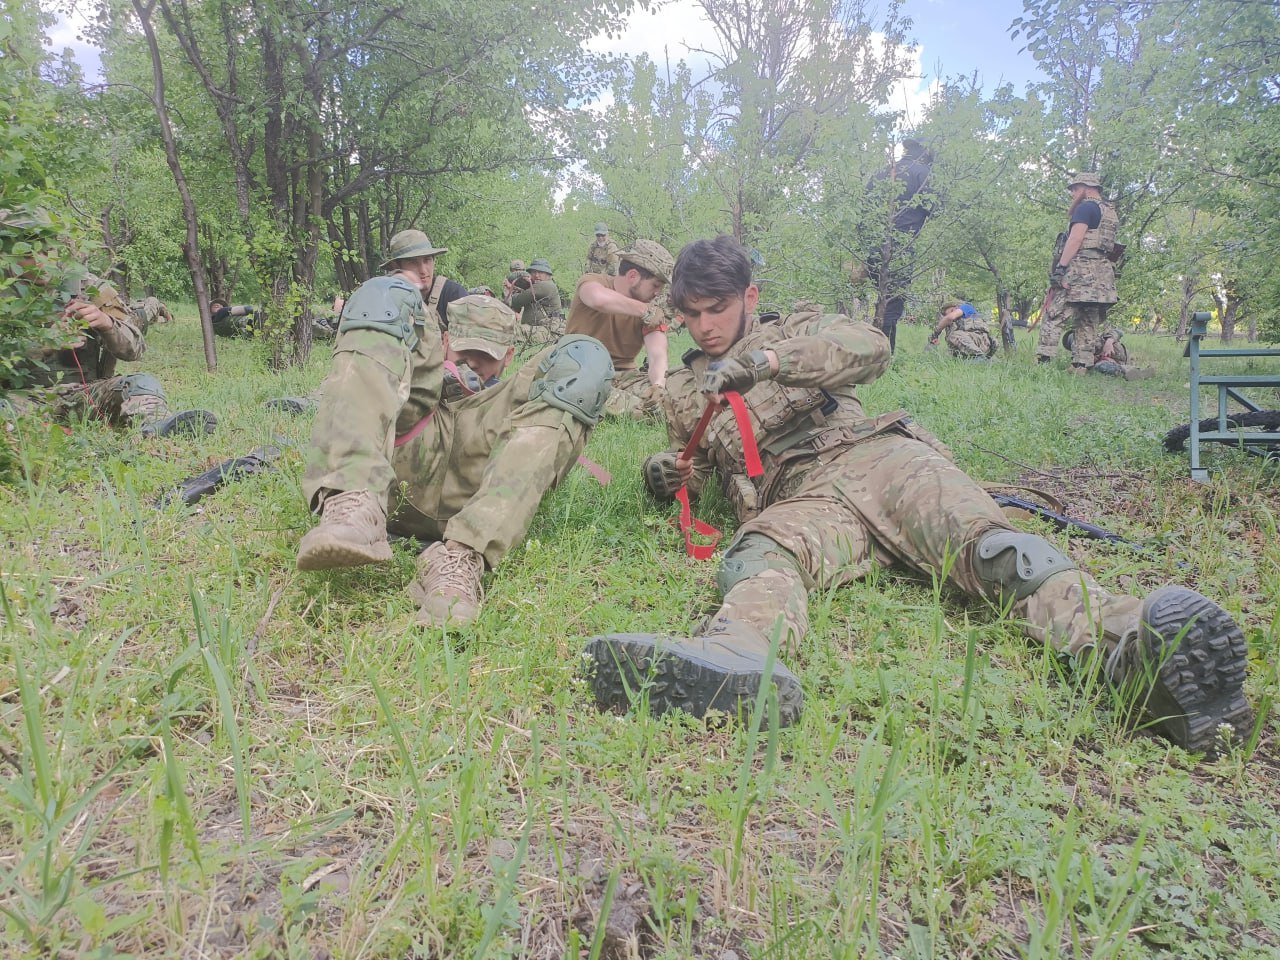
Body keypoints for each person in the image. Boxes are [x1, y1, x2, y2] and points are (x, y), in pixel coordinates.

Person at [582, 235, 1252, 756]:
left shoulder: (800, 327)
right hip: (803, 498)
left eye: (717, 309)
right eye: (693, 314)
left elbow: (869, 347)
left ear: (749, 297)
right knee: (760, 553)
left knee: (995, 552)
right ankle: (741, 655)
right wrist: (661, 474)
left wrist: (770, 363)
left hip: (880, 458)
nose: (704, 327)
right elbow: (694, 467)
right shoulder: (683, 391)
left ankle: (1132, 653)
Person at [299, 283, 616, 628]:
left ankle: (460, 561)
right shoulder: (418, 386)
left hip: (479, 472)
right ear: (447, 342)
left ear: (509, 357)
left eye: (487, 356)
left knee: (587, 358)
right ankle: (352, 503)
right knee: (383, 294)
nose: (474, 364)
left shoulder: (508, 402)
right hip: (408, 455)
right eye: (465, 352)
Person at [2, 263, 215, 437]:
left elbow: (135, 350)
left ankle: (157, 427)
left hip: (81, 396)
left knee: (141, 384)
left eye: (48, 250)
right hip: (16, 399)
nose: (42, 259)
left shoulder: (86, 285)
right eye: (32, 251)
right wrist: (44, 344)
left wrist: (107, 324)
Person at [564, 239, 674, 418]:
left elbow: (658, 354)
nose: (657, 293)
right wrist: (644, 311)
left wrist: (658, 386)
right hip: (579, 369)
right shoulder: (593, 281)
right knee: (584, 392)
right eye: (655, 285)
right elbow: (598, 299)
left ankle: (638, 408)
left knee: (676, 397)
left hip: (624, 377)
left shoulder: (651, 309)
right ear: (632, 276)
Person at [1037, 172, 1120, 372]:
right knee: (1088, 319)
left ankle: (1043, 362)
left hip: (1080, 271)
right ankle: (1080, 365)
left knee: (1054, 314)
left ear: (1086, 187)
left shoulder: (1085, 207)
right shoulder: (1110, 212)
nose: (1072, 193)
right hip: (1102, 275)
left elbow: (1076, 239)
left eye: (1075, 189)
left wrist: (1060, 269)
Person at [865, 138, 934, 353]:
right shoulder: (922, 173)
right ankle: (884, 355)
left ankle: (876, 351)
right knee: (893, 303)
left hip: (874, 245)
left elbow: (862, 210)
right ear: (924, 154)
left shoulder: (882, 172)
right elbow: (935, 207)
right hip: (901, 247)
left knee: (882, 299)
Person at [506, 258, 564, 348]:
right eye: (533, 272)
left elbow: (516, 301)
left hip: (548, 332)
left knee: (506, 331)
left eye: (540, 272)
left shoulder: (546, 285)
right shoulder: (536, 286)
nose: (537, 275)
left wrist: (512, 288)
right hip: (541, 331)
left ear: (548, 275)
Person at [1063, 326, 1153, 380]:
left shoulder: (1099, 337)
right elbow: (1079, 369)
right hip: (1110, 363)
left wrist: (1109, 342)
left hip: (1119, 353)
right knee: (1100, 367)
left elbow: (1119, 332)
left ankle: (1136, 371)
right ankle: (1132, 372)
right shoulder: (1079, 355)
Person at [929, 300, 995, 358]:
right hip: (971, 343)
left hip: (981, 340)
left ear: (956, 308)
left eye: (952, 311)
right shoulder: (953, 324)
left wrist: (936, 333)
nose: (950, 314)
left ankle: (979, 357)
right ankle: (975, 358)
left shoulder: (965, 307)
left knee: (954, 336)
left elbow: (950, 317)